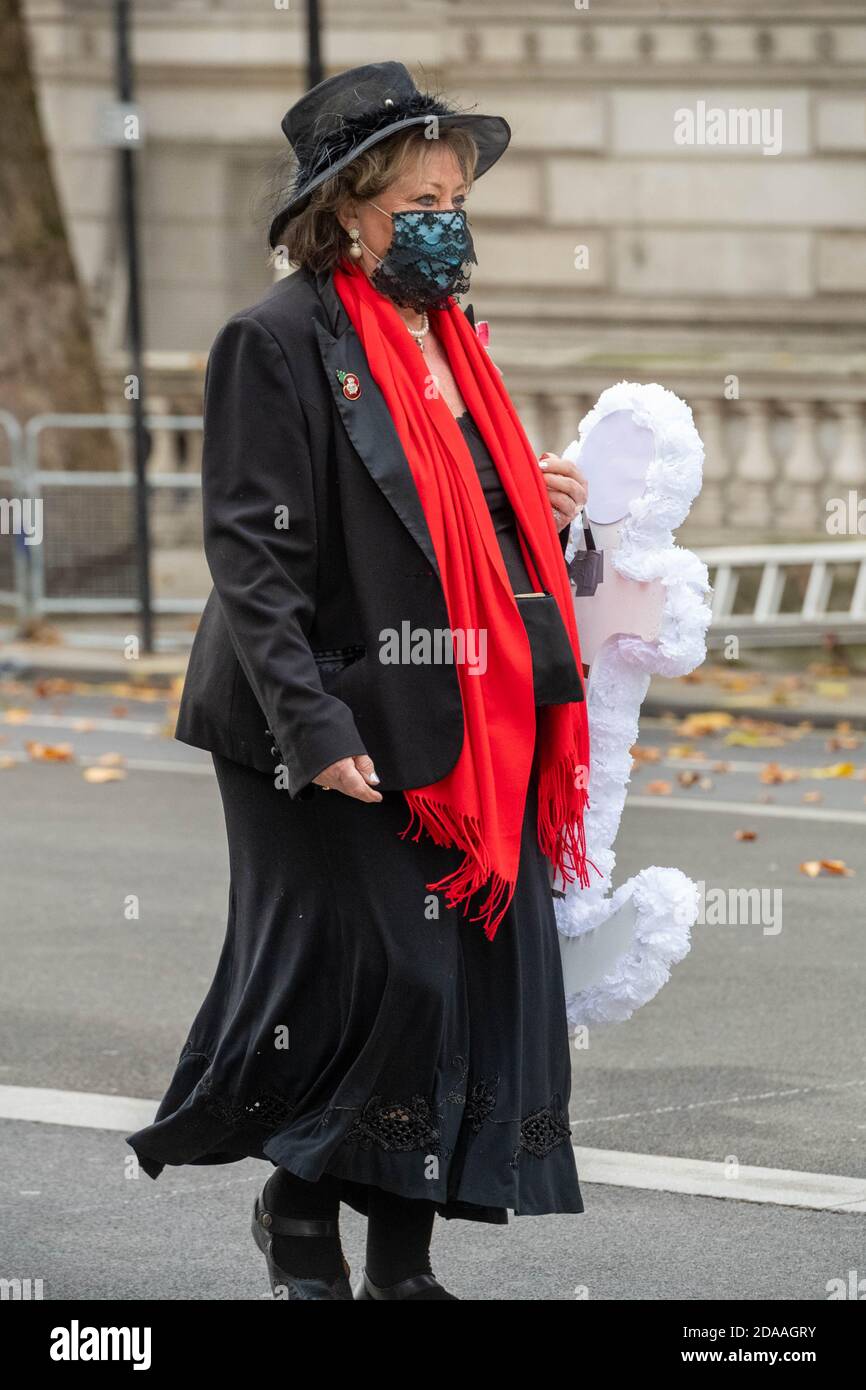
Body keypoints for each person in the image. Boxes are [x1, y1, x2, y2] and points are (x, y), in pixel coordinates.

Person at [126, 61, 594, 1302]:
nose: (445, 220)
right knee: (384, 980)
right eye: (416, 199)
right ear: (343, 210)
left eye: (454, 195)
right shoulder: (272, 341)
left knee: (456, 986)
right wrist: (313, 726)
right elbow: (252, 557)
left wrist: (538, 515)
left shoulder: (456, 344)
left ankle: (399, 1262)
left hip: (457, 722)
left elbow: (468, 545)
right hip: (318, 716)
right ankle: (295, 1213)